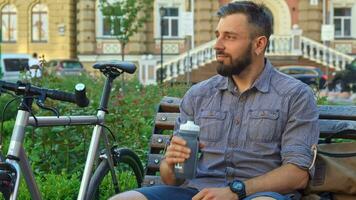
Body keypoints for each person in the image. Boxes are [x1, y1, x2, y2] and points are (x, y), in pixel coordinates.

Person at [110, 1, 319, 200]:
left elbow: (298, 174)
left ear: (259, 44)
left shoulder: (295, 95)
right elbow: (170, 179)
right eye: (217, 35)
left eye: (229, 37)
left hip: (257, 194)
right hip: (196, 193)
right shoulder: (199, 95)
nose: (217, 45)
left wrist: (236, 191)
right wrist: (171, 163)